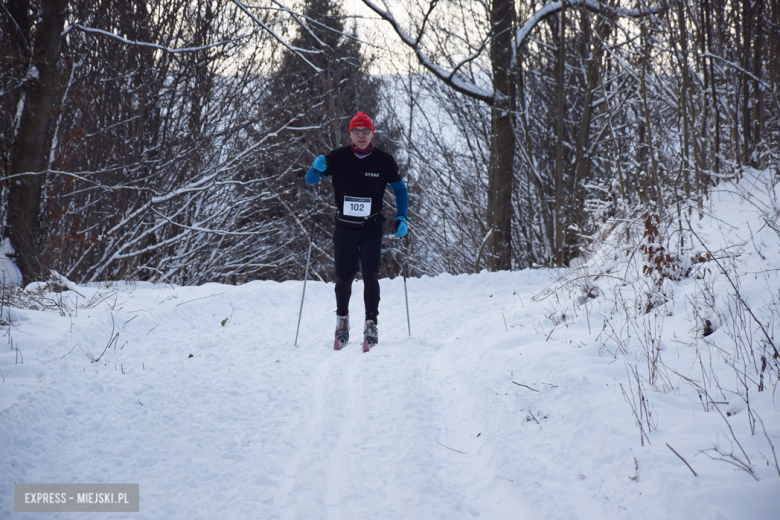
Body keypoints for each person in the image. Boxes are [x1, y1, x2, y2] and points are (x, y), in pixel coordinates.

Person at [305, 112, 408, 352]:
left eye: (365, 131)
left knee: (370, 275)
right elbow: (311, 180)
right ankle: (342, 323)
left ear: (373, 133)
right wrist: (315, 167)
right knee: (344, 278)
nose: (361, 136)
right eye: (356, 131)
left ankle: (371, 324)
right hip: (345, 228)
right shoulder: (338, 157)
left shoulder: (384, 160)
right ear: (350, 133)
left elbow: (400, 190)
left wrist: (402, 216)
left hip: (372, 227)